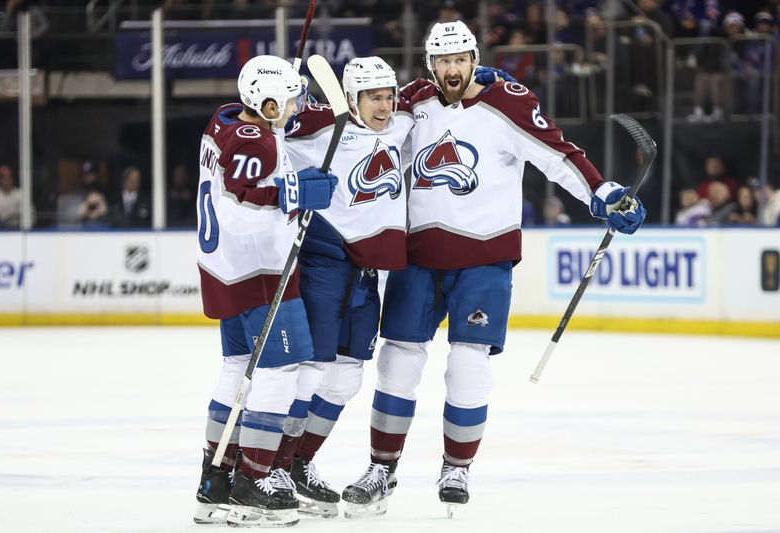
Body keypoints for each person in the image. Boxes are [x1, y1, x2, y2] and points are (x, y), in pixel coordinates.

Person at [339, 20, 646, 518]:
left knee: (468, 364)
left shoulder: (509, 102)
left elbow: (558, 154)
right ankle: (381, 470)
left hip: (484, 259)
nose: (452, 68)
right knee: (398, 362)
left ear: (474, 57)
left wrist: (602, 191)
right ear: (430, 64)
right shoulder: (412, 100)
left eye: (460, 59)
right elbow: (364, 121)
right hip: (417, 256)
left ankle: (456, 467)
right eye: (443, 61)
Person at [191, 55, 337, 528]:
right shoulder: (257, 142)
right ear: (268, 103)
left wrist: (281, 107)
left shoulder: (224, 120)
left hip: (221, 271)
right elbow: (235, 208)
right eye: (290, 100)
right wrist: (291, 194)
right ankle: (252, 482)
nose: (297, 107)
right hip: (258, 273)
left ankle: (215, 477)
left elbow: (240, 172)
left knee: (237, 367)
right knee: (282, 371)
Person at [269, 56, 414, 518]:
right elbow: (265, 147)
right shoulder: (316, 127)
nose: (385, 105)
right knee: (310, 370)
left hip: (368, 272)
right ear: (351, 98)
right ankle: (272, 464)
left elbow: (434, 98)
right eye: (374, 97)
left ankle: (300, 462)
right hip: (324, 263)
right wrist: (279, 112)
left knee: (347, 376)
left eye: (389, 95)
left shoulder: (401, 122)